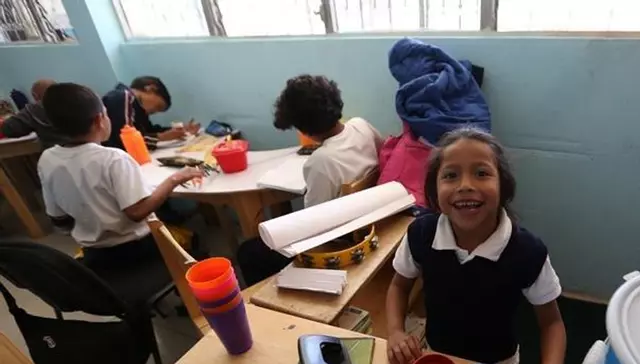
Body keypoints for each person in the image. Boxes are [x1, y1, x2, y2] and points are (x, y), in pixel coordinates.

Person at [385, 128, 567, 364]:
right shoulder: (421, 234)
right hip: (438, 358)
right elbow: (398, 287)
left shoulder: (527, 252)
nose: (465, 185)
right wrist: (395, 331)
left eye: (481, 173)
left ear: (503, 185)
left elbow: (552, 323)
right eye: (450, 175)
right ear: (434, 189)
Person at [38, 83, 202, 281]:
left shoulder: (47, 159)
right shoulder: (113, 158)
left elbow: (60, 221)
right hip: (137, 249)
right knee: (193, 240)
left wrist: (93, 221)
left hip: (93, 255)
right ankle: (188, 292)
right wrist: (175, 179)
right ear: (99, 120)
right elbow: (137, 212)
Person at [236, 74, 382, 286]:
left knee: (248, 252)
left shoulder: (321, 161)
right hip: (369, 220)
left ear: (304, 130)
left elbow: (312, 222)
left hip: (339, 241)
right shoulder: (361, 125)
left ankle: (274, 297)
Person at [101, 76, 200, 149]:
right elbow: (127, 140)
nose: (155, 112)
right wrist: (163, 137)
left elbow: (149, 130)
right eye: (158, 107)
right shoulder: (124, 97)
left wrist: (178, 131)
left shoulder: (138, 109)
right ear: (150, 89)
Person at [0, 79, 72, 147]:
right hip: (77, 149)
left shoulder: (34, 109)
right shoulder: (74, 101)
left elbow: (8, 129)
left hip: (57, 152)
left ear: (35, 96)